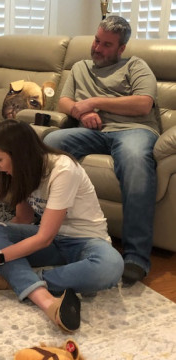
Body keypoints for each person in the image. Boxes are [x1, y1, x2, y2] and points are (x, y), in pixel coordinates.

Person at [0, 119, 123, 332]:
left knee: (110, 267)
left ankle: (16, 281)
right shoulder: (20, 172)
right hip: (52, 242)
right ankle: (42, 296)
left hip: (86, 242)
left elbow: (44, 238)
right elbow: (23, 220)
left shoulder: (63, 169)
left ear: (19, 155)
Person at [44, 15, 159, 286]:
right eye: (97, 40)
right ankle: (43, 229)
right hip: (93, 131)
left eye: (107, 45)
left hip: (134, 130)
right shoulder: (80, 67)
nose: (97, 48)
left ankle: (136, 257)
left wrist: (93, 102)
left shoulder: (136, 66)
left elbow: (143, 104)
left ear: (121, 49)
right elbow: (64, 101)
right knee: (48, 145)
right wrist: (80, 113)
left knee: (135, 162)